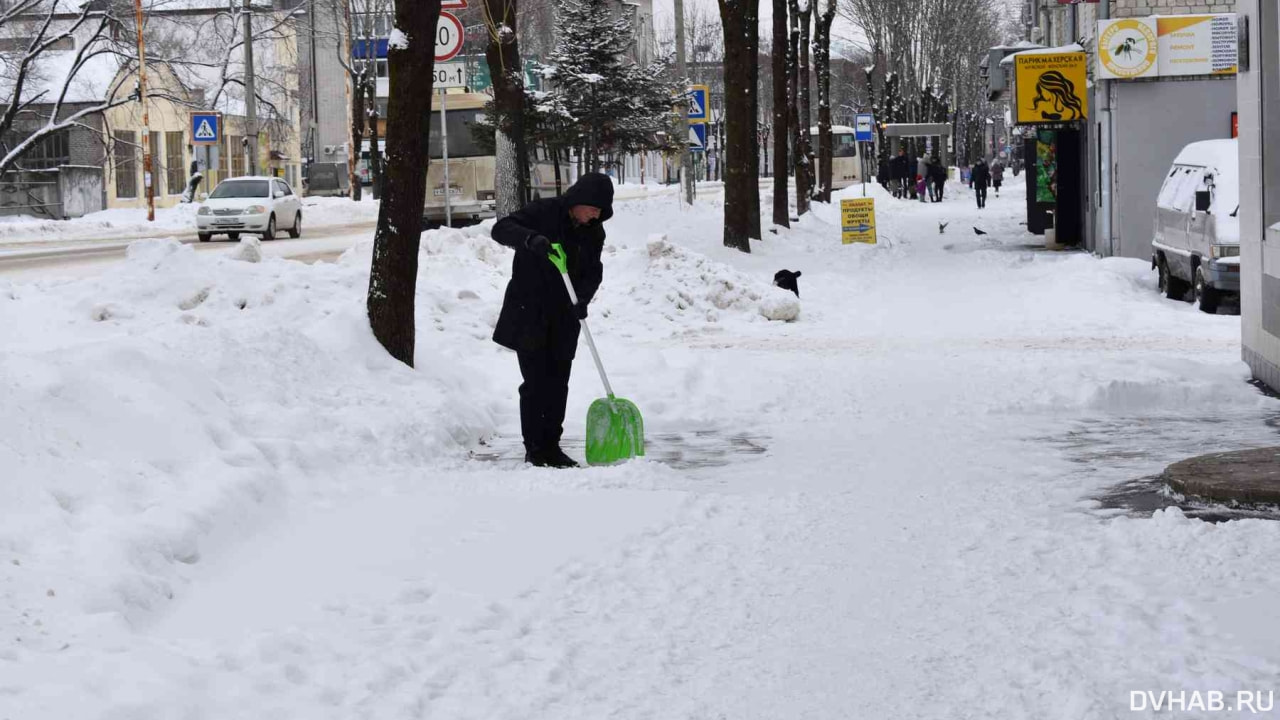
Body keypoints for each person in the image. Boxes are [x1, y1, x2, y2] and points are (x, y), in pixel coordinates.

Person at [491, 172, 614, 469]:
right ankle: (535, 448)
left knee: (558, 383)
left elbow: (593, 272)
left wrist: (582, 299)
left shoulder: (594, 232)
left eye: (600, 213)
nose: (594, 217)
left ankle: (552, 446)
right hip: (529, 310)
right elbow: (501, 229)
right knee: (536, 382)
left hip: (564, 316)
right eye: (593, 210)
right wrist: (530, 239)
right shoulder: (543, 212)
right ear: (579, 200)